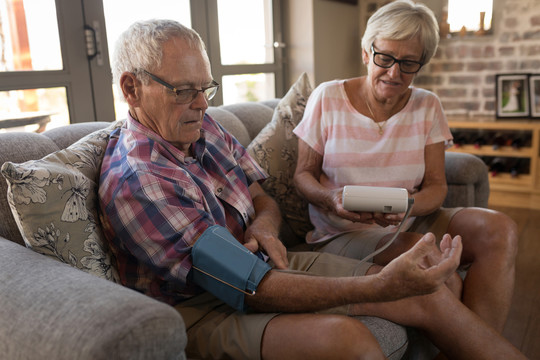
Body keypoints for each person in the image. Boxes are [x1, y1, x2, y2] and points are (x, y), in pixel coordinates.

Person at [98, 18, 525, 360]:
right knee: (350, 343)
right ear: (132, 89)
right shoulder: (141, 180)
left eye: (205, 87)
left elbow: (260, 196)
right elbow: (249, 286)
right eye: (184, 90)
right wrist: (380, 286)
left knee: (430, 291)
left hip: (267, 264)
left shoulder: (197, 125)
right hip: (202, 305)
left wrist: (265, 226)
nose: (204, 103)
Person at [293, 0, 518, 338]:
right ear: (367, 52)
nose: (394, 73)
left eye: (409, 63)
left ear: (421, 64)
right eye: (385, 58)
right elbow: (302, 174)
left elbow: (436, 187)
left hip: (412, 216)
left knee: (500, 229)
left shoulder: (428, 105)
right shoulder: (327, 98)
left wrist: (406, 205)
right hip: (343, 230)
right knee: (433, 264)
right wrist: (330, 199)